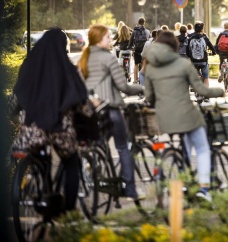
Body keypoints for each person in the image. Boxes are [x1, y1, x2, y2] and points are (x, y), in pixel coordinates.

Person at [13, 28, 89, 212]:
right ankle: (68, 210)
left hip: (33, 127)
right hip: (59, 127)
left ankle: (42, 192)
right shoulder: (67, 68)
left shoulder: (28, 66)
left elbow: (16, 97)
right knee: (71, 160)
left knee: (40, 154)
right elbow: (81, 101)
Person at [143, 31, 224, 201]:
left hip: (165, 120)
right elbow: (200, 90)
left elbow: (149, 97)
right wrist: (219, 91)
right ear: (175, 46)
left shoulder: (150, 67)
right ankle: (204, 189)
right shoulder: (183, 64)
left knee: (184, 146)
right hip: (187, 116)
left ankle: (183, 178)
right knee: (202, 149)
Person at [78, 24, 144, 200]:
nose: (110, 40)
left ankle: (94, 174)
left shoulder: (83, 58)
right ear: (99, 39)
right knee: (123, 147)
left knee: (100, 146)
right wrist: (142, 89)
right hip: (111, 109)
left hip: (92, 112)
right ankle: (130, 190)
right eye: (108, 37)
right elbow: (123, 86)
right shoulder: (108, 58)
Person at [186, 21, 216, 87]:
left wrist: (190, 56)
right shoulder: (205, 38)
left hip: (193, 61)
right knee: (206, 78)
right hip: (203, 61)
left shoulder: (190, 38)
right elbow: (211, 46)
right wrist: (214, 52)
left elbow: (187, 50)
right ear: (202, 29)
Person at [128, 17, 151, 84]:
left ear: (138, 22)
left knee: (136, 64)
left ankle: (135, 79)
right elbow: (149, 41)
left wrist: (130, 47)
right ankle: (143, 79)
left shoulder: (134, 31)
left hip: (137, 50)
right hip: (144, 51)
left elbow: (131, 41)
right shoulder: (147, 31)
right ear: (144, 23)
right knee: (143, 64)